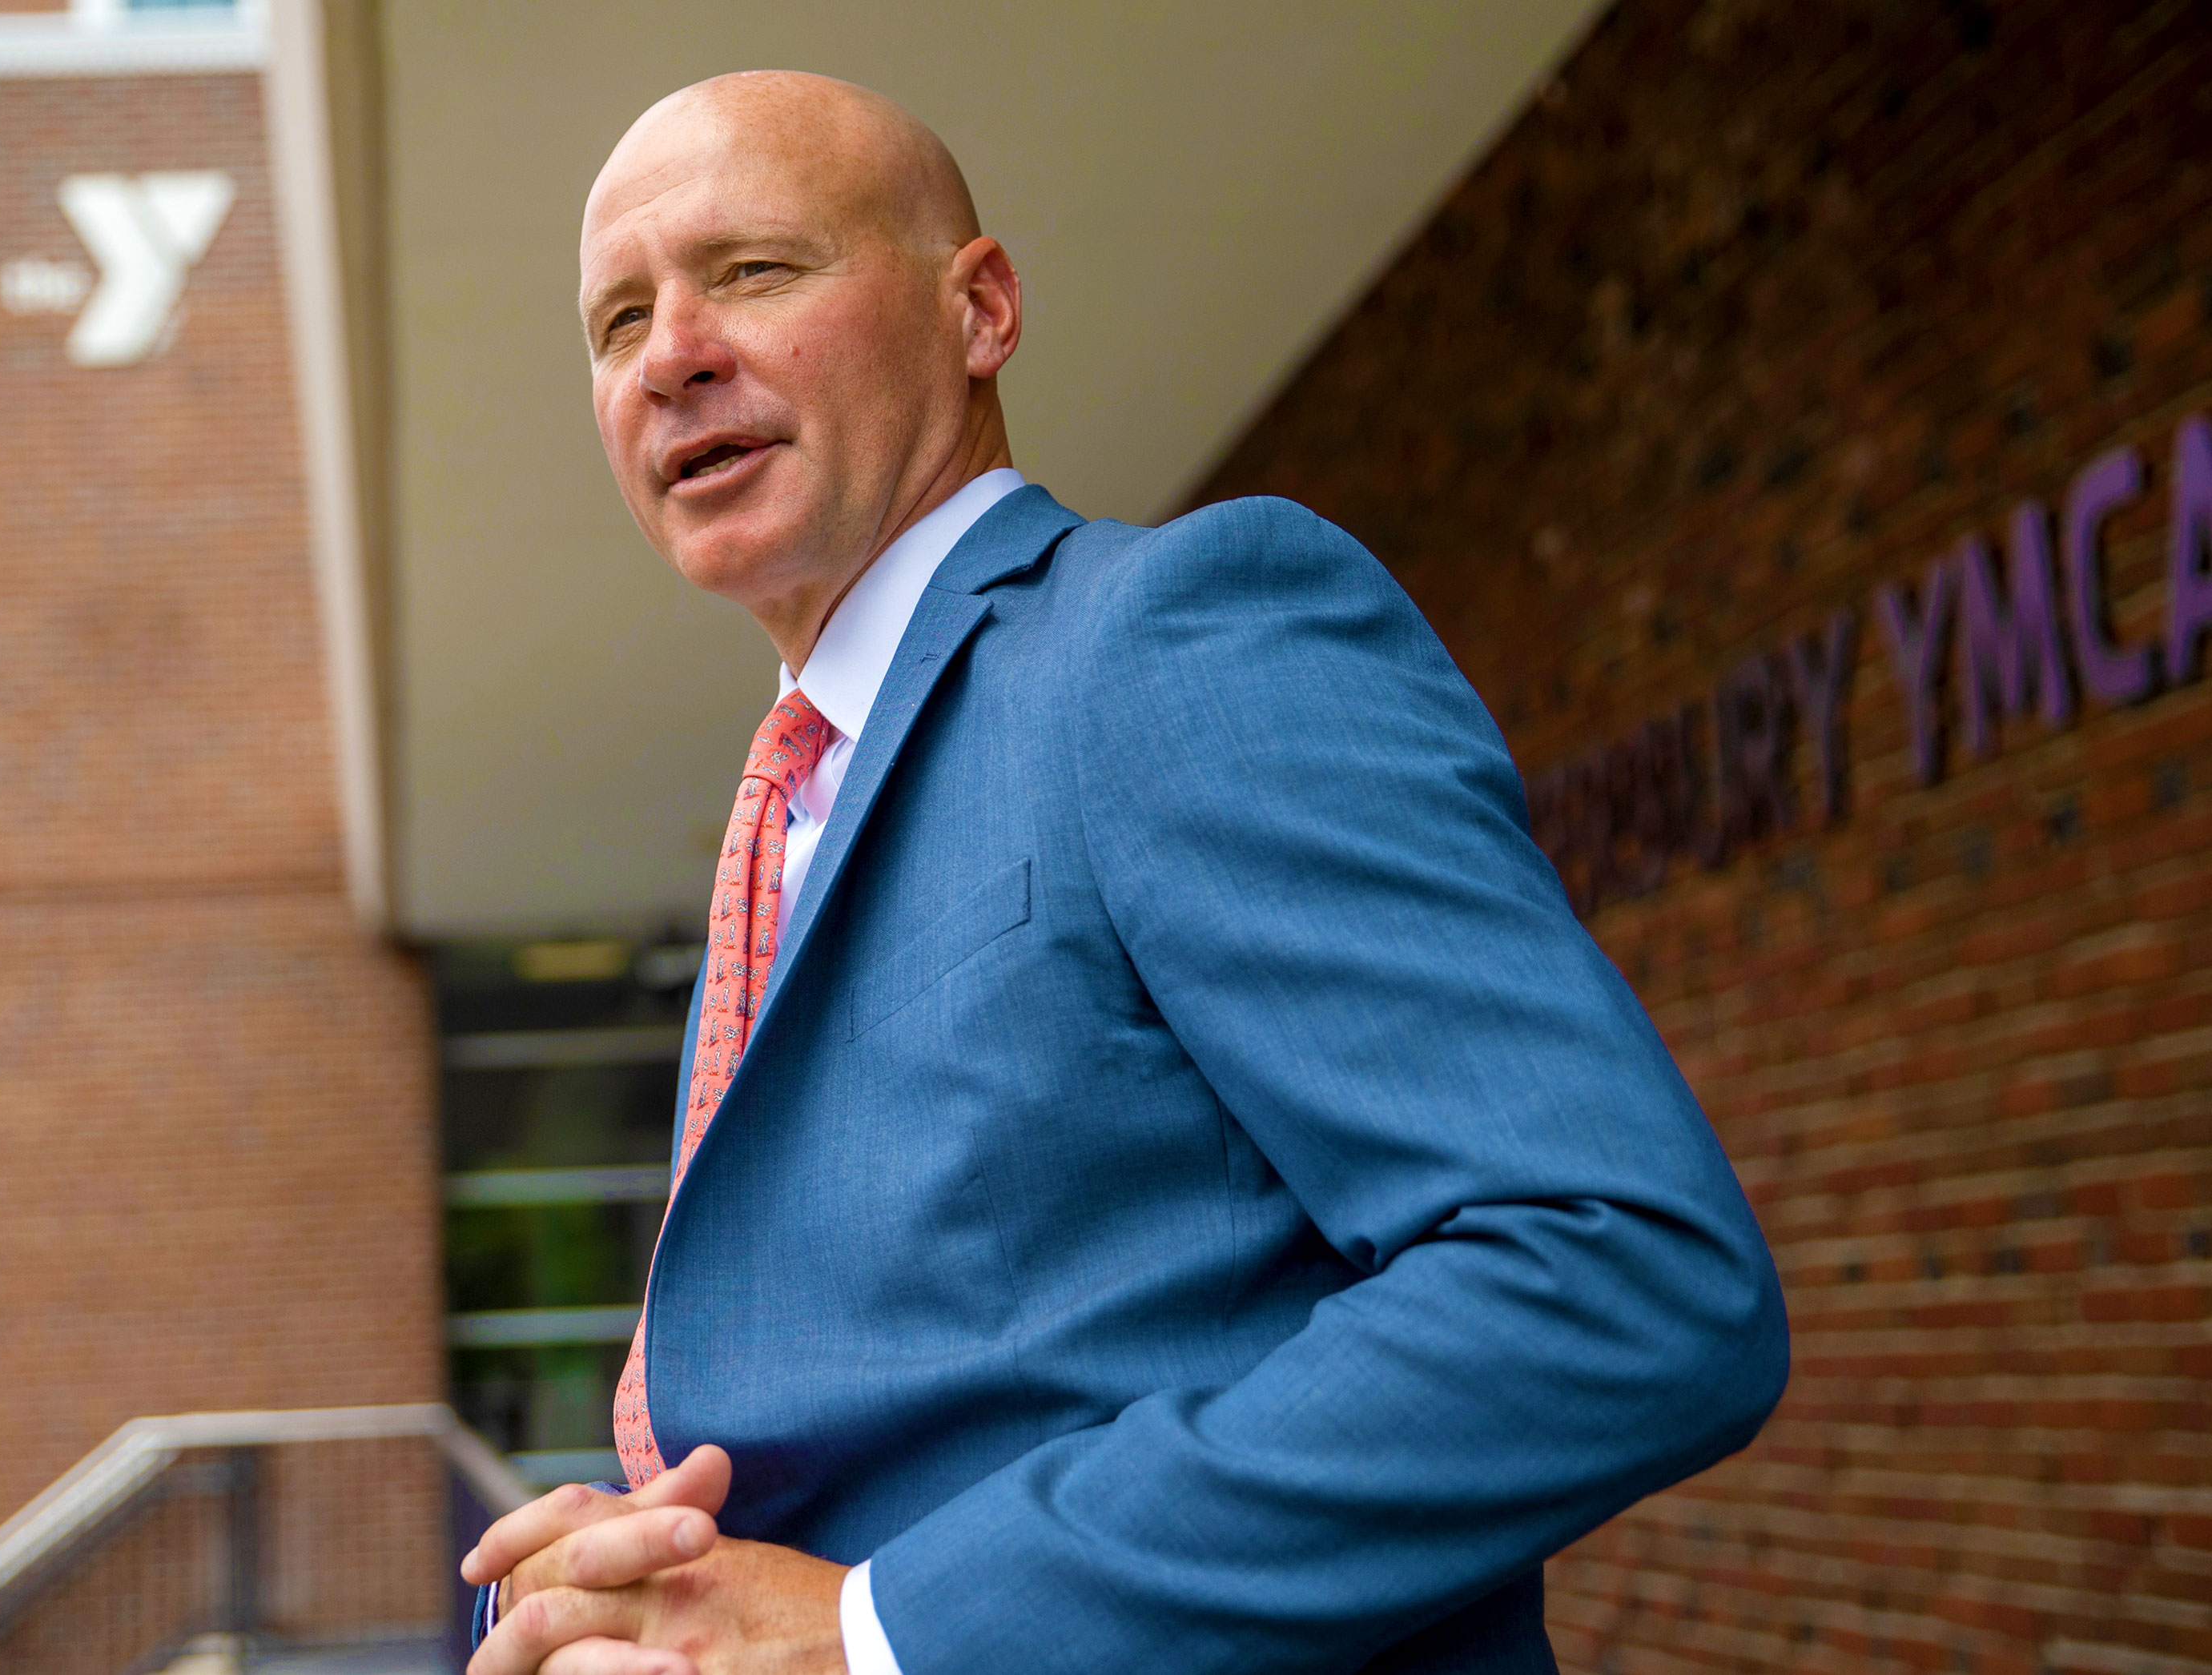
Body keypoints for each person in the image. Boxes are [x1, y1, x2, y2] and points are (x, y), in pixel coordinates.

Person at [460, 70, 1788, 1675]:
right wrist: (624, 1578)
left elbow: (1619, 1268)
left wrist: (880, 1632)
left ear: (982, 310)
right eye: (616, 323)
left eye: (753, 270)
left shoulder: (1173, 638)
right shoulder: (788, 812)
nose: (669, 354)